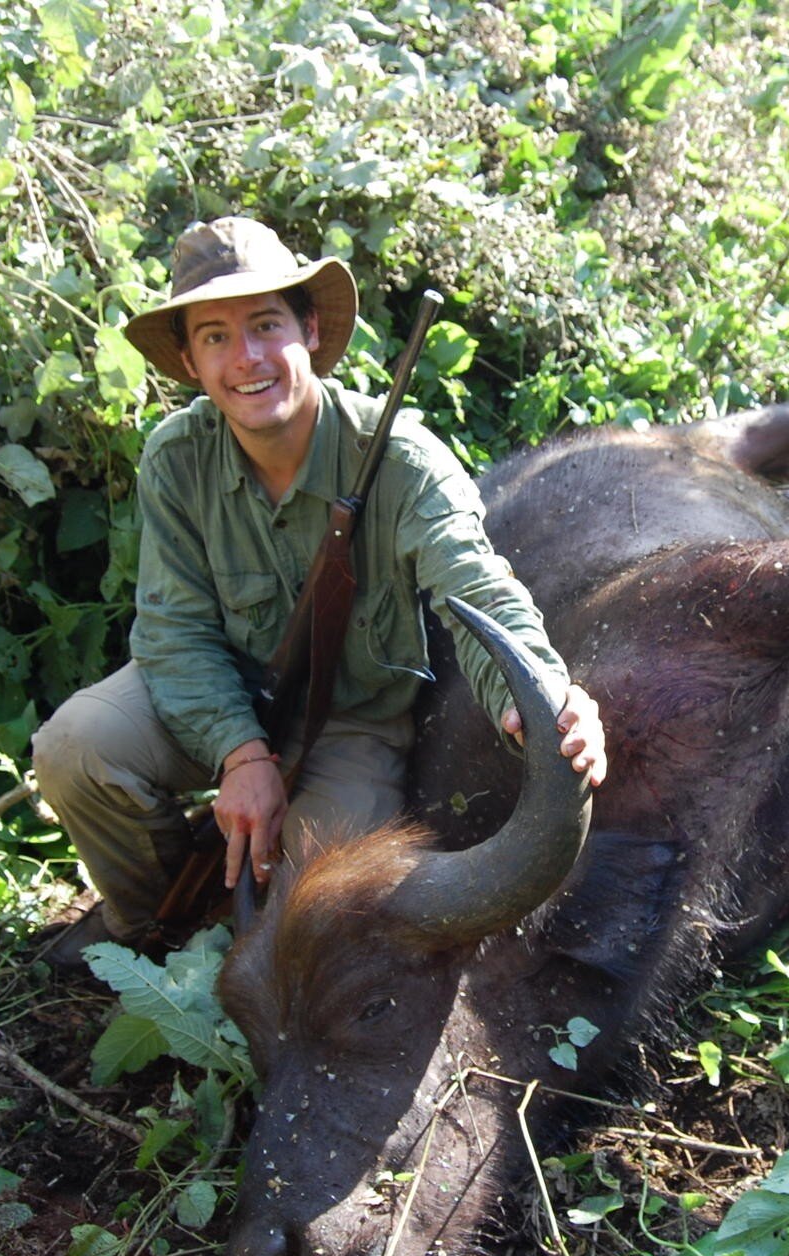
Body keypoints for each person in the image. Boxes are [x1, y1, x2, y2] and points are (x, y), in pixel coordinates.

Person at [32, 217, 607, 961]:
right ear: (189, 359)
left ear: (308, 329)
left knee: (316, 917)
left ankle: (234, 923)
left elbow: (477, 590)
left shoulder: (401, 457)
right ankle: (154, 927)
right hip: (219, 699)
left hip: (352, 726)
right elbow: (172, 632)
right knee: (76, 746)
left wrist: (546, 698)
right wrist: (241, 755)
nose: (246, 358)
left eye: (266, 325)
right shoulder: (177, 459)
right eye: (215, 336)